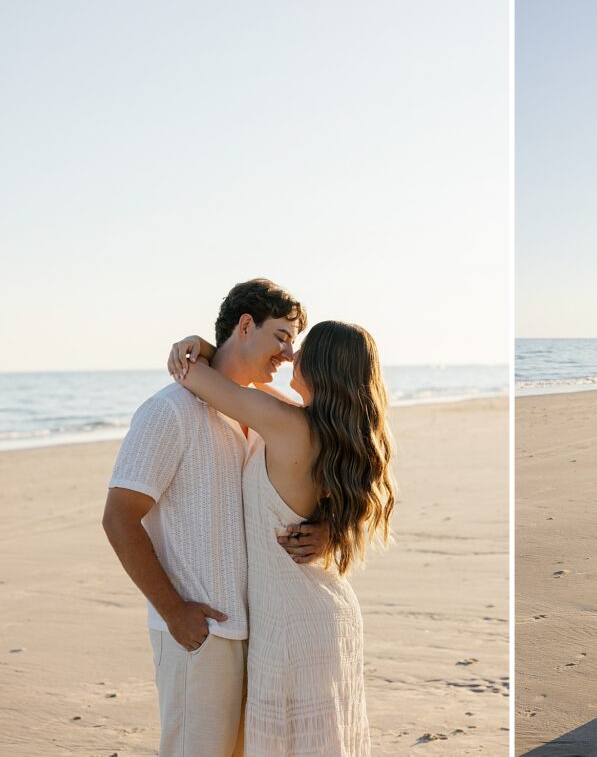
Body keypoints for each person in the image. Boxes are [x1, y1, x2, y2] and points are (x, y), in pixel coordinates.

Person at [103, 278, 316, 756]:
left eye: (293, 342)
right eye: (280, 336)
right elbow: (118, 517)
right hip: (201, 634)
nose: (287, 354)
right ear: (245, 326)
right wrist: (174, 613)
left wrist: (326, 532)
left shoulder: (261, 415)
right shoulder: (169, 411)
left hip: (260, 633)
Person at [167, 317, 394, 756]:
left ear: (322, 364)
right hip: (320, 614)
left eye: (301, 348)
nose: (292, 354)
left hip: (292, 621)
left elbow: (195, 376)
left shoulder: (285, 423)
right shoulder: (322, 428)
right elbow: (236, 383)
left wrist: (193, 346)